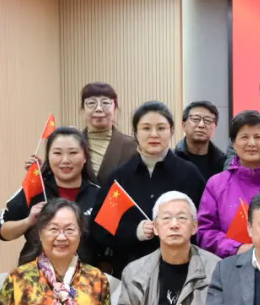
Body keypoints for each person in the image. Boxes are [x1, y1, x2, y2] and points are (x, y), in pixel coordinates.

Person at [92, 101, 206, 277]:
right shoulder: (120, 177)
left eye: (161, 128)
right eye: (146, 128)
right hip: (131, 273)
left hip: (182, 271)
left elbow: (203, 224)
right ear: (135, 133)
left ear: (171, 131)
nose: (154, 134)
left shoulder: (189, 174)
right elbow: (100, 228)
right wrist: (134, 232)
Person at [198, 111, 260, 258]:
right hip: (231, 263)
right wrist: (237, 248)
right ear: (234, 143)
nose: (251, 143)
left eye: (258, 137)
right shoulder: (216, 184)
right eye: (244, 137)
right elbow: (205, 231)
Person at [1, 127, 103, 266]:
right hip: (34, 275)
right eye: (57, 153)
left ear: (85, 157)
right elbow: (3, 232)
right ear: (48, 156)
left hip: (85, 275)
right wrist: (28, 221)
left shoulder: (99, 195)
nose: (65, 160)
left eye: (73, 153)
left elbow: (109, 242)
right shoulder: (35, 190)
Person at [79, 82, 138, 186]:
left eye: (105, 103)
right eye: (91, 103)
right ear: (83, 108)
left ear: (114, 107)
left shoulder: (133, 146)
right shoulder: (73, 143)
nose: (98, 109)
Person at [174, 100, 227, 183]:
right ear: (184, 125)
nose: (201, 125)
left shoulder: (224, 164)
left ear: (214, 128)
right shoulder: (170, 160)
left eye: (208, 120)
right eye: (196, 119)